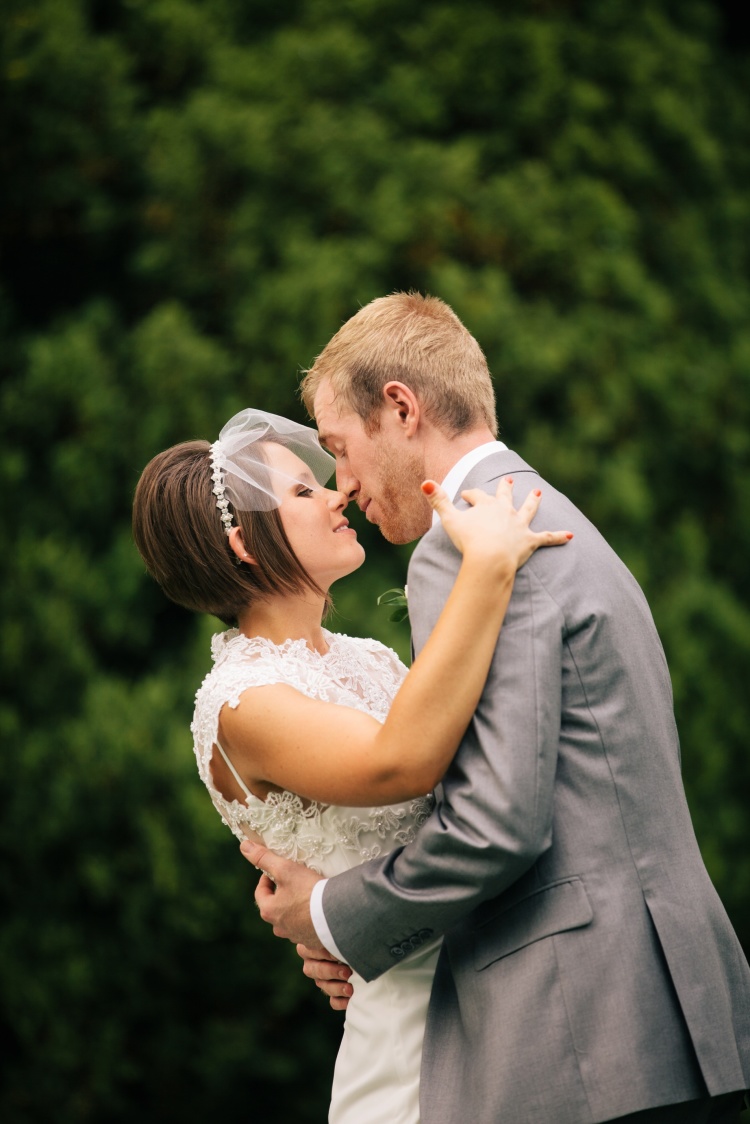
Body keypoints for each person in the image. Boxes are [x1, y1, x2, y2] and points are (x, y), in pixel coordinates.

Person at [240, 294, 750, 1124]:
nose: (345, 485)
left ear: (400, 408)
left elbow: (497, 822)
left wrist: (330, 917)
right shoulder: (556, 517)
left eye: (340, 449)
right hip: (666, 1005)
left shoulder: (467, 547)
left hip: (584, 1029)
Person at [131, 407, 571, 1123]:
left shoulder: (368, 658)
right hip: (408, 1038)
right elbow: (402, 764)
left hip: (497, 989)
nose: (338, 495)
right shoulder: (242, 702)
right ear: (244, 542)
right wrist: (487, 568)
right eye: (304, 492)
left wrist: (330, 924)